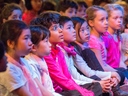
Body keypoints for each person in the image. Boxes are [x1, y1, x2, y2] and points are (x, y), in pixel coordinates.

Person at [31, 12, 94, 96]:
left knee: (95, 86)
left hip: (63, 88)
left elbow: (68, 78)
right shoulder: (45, 55)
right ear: (45, 32)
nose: (60, 30)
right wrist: (85, 93)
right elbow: (62, 80)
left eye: (60, 27)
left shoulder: (59, 50)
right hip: (57, 91)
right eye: (55, 28)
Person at [0, 20, 53, 96]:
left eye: (30, 38)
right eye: (26, 38)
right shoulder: (8, 69)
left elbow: (42, 90)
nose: (30, 43)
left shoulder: (24, 62)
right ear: (11, 43)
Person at [86, 5, 128, 96]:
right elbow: (100, 66)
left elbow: (115, 61)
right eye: (102, 20)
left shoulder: (102, 38)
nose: (106, 23)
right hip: (100, 73)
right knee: (121, 74)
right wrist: (115, 74)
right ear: (91, 22)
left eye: (106, 19)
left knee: (122, 72)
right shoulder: (94, 40)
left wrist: (118, 73)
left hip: (108, 70)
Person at [25, 25, 62, 96]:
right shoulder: (30, 64)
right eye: (46, 41)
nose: (50, 44)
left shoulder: (41, 59)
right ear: (33, 47)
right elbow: (40, 92)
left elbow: (49, 89)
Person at [102, 4, 128, 78]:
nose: (119, 21)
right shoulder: (105, 37)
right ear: (107, 19)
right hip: (109, 72)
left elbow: (120, 61)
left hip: (119, 70)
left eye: (121, 17)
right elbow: (103, 64)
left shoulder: (118, 36)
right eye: (115, 18)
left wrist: (124, 72)